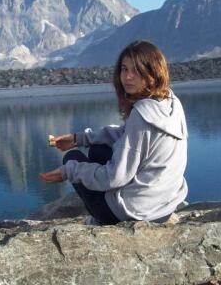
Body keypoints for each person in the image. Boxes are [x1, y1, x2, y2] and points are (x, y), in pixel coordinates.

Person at [39, 40, 188, 225]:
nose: (128, 77)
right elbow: (127, 134)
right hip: (164, 206)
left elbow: (115, 177)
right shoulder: (170, 102)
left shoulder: (142, 115)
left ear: (153, 72)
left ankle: (104, 220)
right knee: (98, 149)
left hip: (136, 213)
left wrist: (69, 171)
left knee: (72, 157)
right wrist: (79, 138)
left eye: (136, 70)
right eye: (124, 69)